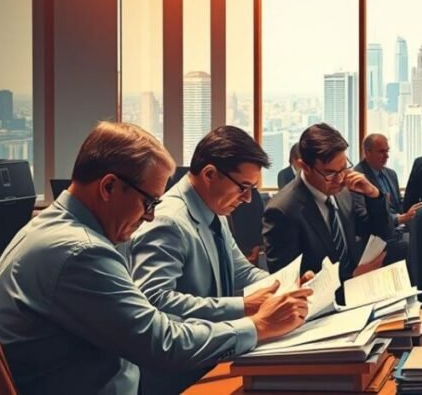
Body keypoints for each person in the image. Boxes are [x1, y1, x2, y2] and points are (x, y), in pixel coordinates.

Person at [0, 122, 310, 395]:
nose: (151, 217)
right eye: (149, 202)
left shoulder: (50, 228)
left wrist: (282, 291)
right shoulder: (81, 252)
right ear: (109, 187)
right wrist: (258, 325)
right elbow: (160, 341)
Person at [131, 125, 317, 393]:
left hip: (214, 361)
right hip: (177, 377)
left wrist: (287, 285)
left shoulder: (214, 210)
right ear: (209, 174)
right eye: (243, 187)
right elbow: (155, 300)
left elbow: (242, 271)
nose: (248, 198)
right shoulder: (168, 220)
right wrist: (243, 306)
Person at [262, 123, 394, 281]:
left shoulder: (344, 191)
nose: (340, 179)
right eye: (330, 173)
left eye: (344, 168)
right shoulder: (282, 210)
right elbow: (288, 284)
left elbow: (382, 233)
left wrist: (374, 194)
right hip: (321, 303)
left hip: (358, 294)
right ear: (304, 166)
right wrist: (351, 278)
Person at [353, 133, 409, 265]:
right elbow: (363, 216)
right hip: (377, 239)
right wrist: (399, 219)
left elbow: (398, 204)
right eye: (381, 152)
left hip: (398, 231)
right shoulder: (358, 178)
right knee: (410, 247)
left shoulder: (391, 174)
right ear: (367, 152)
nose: (387, 156)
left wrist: (409, 215)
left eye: (387, 151)